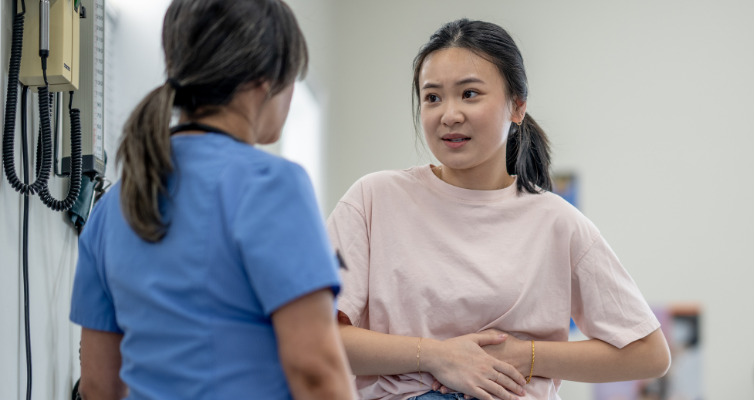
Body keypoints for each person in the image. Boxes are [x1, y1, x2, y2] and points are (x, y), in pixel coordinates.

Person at [326, 19, 670, 400]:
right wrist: (436, 356)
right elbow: (317, 336)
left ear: (517, 106)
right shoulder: (372, 199)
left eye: (469, 93)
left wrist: (526, 356)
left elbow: (649, 353)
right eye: (433, 97)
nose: (449, 114)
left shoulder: (557, 222)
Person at [68, 1, 353, 399]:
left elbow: (99, 387)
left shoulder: (114, 206)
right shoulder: (270, 185)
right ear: (265, 79)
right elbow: (316, 372)